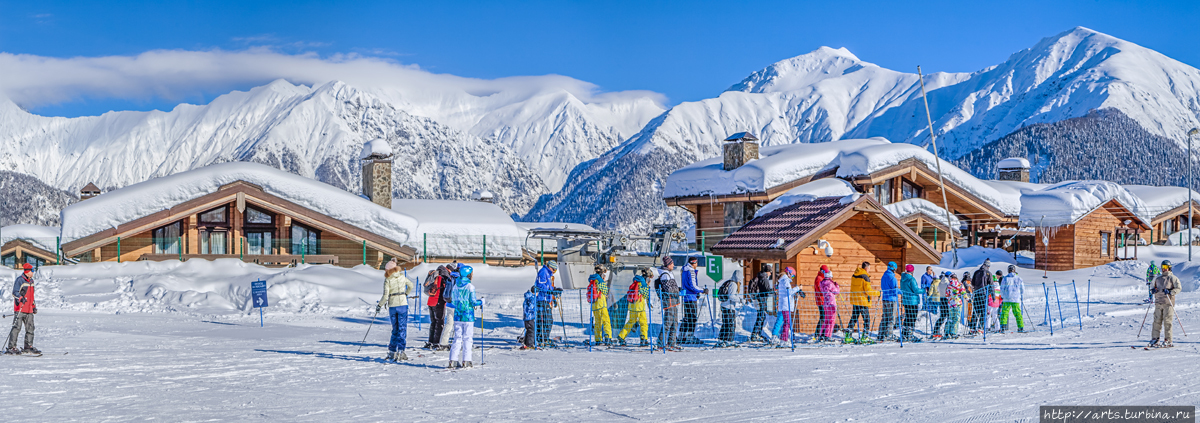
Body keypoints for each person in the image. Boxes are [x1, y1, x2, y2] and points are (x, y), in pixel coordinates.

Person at [376, 259, 416, 361]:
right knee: (402, 328)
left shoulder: (388, 279)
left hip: (393, 305)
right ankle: (401, 351)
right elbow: (411, 285)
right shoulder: (402, 277)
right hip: (403, 304)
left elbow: (385, 296)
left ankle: (392, 351)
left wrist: (379, 305)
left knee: (395, 329)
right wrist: (405, 294)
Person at [448, 264, 483, 369]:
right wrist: (481, 302)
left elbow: (453, 301)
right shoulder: (470, 287)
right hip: (468, 316)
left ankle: (453, 359)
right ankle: (466, 360)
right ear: (468, 274)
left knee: (457, 338)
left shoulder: (456, 286)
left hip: (458, 316)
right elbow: (472, 302)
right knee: (467, 338)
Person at [1149, 260, 1182, 348]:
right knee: (1156, 321)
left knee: (1167, 322)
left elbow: (1178, 288)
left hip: (1168, 303)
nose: (1164, 269)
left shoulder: (1173, 278)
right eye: (1163, 267)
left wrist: (1171, 292)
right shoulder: (1158, 278)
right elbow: (1152, 286)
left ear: (1169, 268)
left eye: (1166, 267)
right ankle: (1155, 338)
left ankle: (1168, 340)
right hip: (1158, 302)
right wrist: (1153, 290)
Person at [7, 263, 37, 355]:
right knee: (17, 327)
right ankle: (11, 347)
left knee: (30, 328)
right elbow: (14, 292)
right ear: (27, 272)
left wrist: (34, 306)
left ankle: (28, 346)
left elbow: (31, 296)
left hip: (29, 310)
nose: (33, 272)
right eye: (32, 271)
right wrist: (21, 298)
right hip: (20, 308)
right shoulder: (20, 280)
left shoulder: (31, 281)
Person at [617, 268, 652, 347]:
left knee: (631, 322)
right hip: (640, 307)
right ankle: (644, 338)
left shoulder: (636, 281)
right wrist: (647, 286)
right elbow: (646, 295)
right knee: (643, 323)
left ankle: (621, 336)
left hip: (632, 306)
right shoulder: (643, 284)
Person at [771, 267, 803, 345]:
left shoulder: (782, 280)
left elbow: (786, 291)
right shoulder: (785, 281)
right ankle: (784, 339)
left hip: (782, 304)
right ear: (789, 273)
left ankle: (774, 336)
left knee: (779, 321)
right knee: (787, 322)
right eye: (792, 276)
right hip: (786, 305)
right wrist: (798, 288)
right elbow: (789, 292)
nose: (792, 278)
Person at [848, 262, 878, 343]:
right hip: (863, 301)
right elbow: (868, 291)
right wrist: (878, 293)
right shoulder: (865, 277)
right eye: (869, 268)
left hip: (855, 300)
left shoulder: (854, 275)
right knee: (867, 319)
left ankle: (848, 336)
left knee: (854, 318)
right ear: (867, 268)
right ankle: (865, 337)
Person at [656, 257, 682, 351]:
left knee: (675, 323)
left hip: (674, 301)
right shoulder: (665, 275)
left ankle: (672, 343)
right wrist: (677, 291)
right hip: (669, 301)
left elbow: (672, 287)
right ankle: (661, 343)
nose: (673, 265)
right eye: (672, 264)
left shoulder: (669, 274)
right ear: (668, 264)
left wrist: (678, 289)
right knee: (668, 323)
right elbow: (668, 289)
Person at [679, 256, 705, 345]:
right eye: (696, 263)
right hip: (691, 297)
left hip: (686, 297)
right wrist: (702, 290)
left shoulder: (684, 270)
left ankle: (682, 336)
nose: (697, 265)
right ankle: (690, 337)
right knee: (692, 318)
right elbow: (693, 285)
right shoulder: (691, 271)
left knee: (687, 318)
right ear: (694, 263)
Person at [424, 265, 449, 350]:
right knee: (439, 323)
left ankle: (430, 341)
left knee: (433, 322)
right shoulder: (442, 279)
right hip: (438, 302)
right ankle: (436, 342)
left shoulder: (433, 277)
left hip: (430, 301)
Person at [587, 265, 613, 345]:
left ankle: (598, 339)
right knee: (606, 321)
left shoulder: (592, 280)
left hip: (594, 305)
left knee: (598, 322)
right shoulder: (599, 280)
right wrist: (604, 281)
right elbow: (605, 291)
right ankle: (608, 337)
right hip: (601, 304)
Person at [534, 260, 558, 347]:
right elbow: (541, 285)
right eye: (554, 269)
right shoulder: (543, 272)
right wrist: (550, 291)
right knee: (546, 320)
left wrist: (554, 290)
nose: (554, 272)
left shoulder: (548, 274)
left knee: (547, 320)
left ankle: (543, 338)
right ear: (550, 267)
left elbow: (548, 285)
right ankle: (543, 338)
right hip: (542, 299)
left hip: (546, 300)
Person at [717, 270, 743, 346]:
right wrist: (740, 300)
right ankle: (729, 340)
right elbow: (731, 296)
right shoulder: (733, 284)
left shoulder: (729, 282)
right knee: (731, 324)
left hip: (724, 306)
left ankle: (721, 339)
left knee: (725, 324)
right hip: (729, 307)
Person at [876, 262, 900, 342]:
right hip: (892, 300)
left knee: (885, 317)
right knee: (891, 319)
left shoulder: (883, 276)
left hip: (885, 298)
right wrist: (901, 292)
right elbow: (894, 290)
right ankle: (888, 335)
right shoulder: (892, 278)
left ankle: (880, 335)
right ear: (893, 268)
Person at [750, 264, 774, 342]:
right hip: (762, 299)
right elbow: (766, 290)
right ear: (768, 272)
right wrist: (773, 291)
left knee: (761, 316)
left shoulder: (760, 277)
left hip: (758, 299)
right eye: (770, 272)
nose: (770, 274)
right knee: (761, 316)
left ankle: (756, 334)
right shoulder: (764, 278)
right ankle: (756, 334)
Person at [899, 264, 922, 342]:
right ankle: (910, 335)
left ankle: (904, 334)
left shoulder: (902, 279)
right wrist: (924, 290)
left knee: (907, 317)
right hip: (913, 301)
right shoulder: (911, 279)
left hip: (906, 301)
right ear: (912, 271)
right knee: (912, 318)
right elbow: (915, 290)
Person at [817, 266, 840, 342]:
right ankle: (828, 335)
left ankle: (821, 335)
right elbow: (836, 291)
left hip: (826, 303)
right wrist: (837, 286)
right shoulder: (830, 283)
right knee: (831, 320)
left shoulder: (822, 282)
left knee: (826, 319)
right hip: (831, 304)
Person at [999, 265, 1025, 333]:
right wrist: (1020, 294)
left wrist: (1003, 296)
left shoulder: (1005, 278)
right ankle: (1020, 327)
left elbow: (1002, 288)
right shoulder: (1019, 278)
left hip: (1007, 298)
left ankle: (1003, 327)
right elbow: (1022, 289)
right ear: (1014, 270)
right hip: (1015, 299)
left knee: (1004, 313)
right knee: (1017, 313)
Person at [968, 259, 991, 333]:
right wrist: (992, 295)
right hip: (984, 294)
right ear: (988, 266)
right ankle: (981, 328)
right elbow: (991, 285)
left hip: (977, 294)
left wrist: (976, 288)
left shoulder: (976, 272)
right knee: (983, 312)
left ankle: (973, 328)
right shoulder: (988, 273)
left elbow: (973, 283)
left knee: (975, 311)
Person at [942, 273, 967, 339]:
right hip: (958, 303)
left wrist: (950, 299)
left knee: (951, 318)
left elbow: (946, 295)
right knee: (957, 318)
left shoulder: (948, 285)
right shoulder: (960, 284)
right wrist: (968, 299)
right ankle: (953, 333)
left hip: (950, 304)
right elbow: (964, 293)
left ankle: (947, 332)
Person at [930, 272, 951, 338]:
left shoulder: (940, 282)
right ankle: (947, 331)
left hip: (941, 299)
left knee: (942, 316)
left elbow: (938, 290)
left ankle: (936, 330)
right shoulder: (948, 283)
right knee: (949, 316)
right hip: (947, 299)